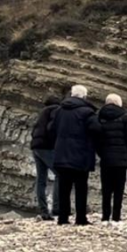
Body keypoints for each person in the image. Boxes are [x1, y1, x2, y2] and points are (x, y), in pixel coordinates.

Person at [48, 85, 101, 226]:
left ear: (71, 95)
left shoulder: (59, 110)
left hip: (61, 154)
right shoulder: (87, 112)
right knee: (81, 188)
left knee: (64, 188)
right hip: (80, 155)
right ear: (84, 96)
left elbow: (51, 129)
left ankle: (63, 218)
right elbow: (96, 129)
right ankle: (80, 218)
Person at [96, 94, 127, 224]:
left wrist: (101, 153)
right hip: (121, 159)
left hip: (106, 159)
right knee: (119, 189)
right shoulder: (125, 117)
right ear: (119, 103)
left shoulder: (99, 117)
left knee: (106, 189)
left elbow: (96, 137)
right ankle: (116, 217)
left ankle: (105, 216)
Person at [30, 95, 61, 220]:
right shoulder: (55, 110)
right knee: (60, 174)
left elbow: (34, 131)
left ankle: (43, 210)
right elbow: (52, 128)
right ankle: (56, 208)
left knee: (41, 179)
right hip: (47, 147)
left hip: (36, 147)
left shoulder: (42, 113)